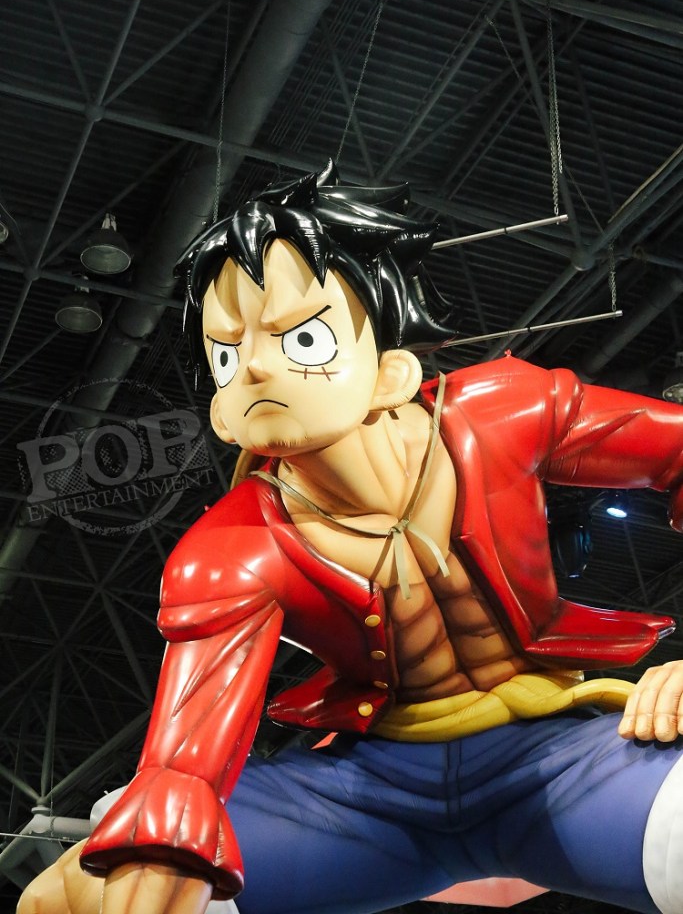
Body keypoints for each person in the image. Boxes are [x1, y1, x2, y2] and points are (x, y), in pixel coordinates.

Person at [18, 163, 683, 914]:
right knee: (70, 897)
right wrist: (159, 851)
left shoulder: (505, 415)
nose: (256, 366)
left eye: (302, 337)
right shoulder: (232, 551)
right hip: (368, 797)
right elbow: (184, 765)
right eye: (227, 355)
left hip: (563, 758)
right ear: (223, 414)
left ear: (392, 371)